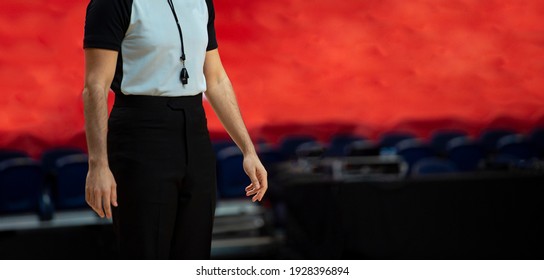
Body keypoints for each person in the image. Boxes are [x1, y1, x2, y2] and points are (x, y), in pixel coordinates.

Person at [82, 0, 268, 259]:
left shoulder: (201, 2)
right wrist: (98, 165)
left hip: (195, 131)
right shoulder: (113, 3)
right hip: (140, 133)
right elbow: (95, 87)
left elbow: (215, 79)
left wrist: (248, 150)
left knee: (195, 251)